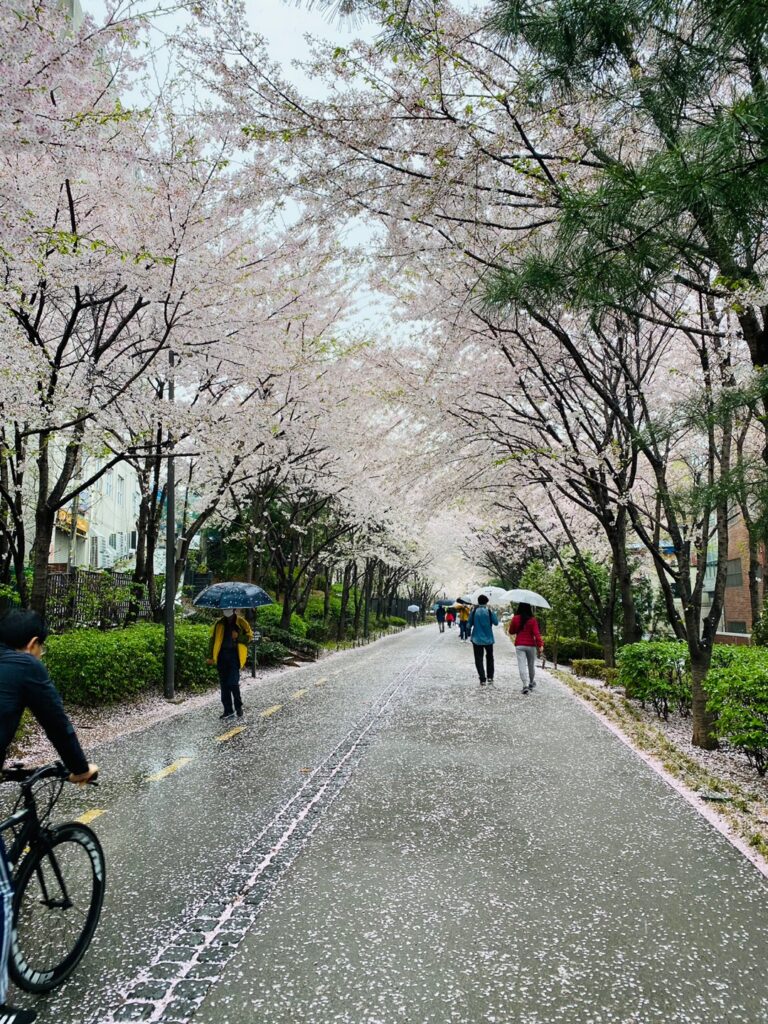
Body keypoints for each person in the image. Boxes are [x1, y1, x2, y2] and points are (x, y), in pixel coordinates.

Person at [0, 609, 98, 1024]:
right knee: (2, 896)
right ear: (35, 644)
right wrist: (79, 768)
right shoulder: (25, 665)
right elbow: (57, 723)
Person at [207, 608, 253, 720]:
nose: (225, 610)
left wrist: (238, 637)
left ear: (233, 609)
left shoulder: (241, 622)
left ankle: (238, 706)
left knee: (233, 683)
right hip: (222, 656)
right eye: (224, 608)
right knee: (224, 685)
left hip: (234, 656)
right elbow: (212, 640)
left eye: (227, 608)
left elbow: (249, 637)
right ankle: (228, 710)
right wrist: (210, 656)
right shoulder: (219, 623)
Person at [508, 602, 544, 694]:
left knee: (522, 665)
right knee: (531, 665)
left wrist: (517, 628)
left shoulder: (515, 619)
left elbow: (511, 631)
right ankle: (531, 683)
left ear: (519, 608)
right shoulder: (533, 620)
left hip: (520, 645)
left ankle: (525, 685)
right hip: (531, 645)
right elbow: (537, 634)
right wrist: (540, 645)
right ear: (529, 609)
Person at [468, 595, 499, 685]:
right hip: (489, 639)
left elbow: (468, 625)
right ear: (486, 602)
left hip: (476, 639)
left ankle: (482, 679)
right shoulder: (489, 611)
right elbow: (496, 623)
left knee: (478, 659)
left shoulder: (474, 612)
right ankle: (490, 677)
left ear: (478, 602)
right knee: (490, 658)